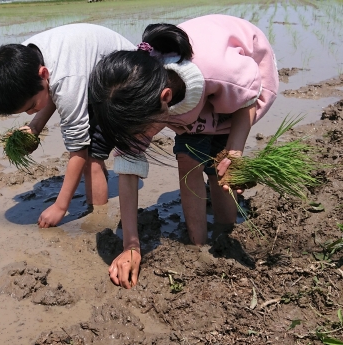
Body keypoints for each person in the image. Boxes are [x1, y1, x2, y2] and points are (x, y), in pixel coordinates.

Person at [88, 14, 279, 288]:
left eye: (140, 130)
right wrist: (131, 245)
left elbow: (246, 102)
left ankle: (225, 231)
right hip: (185, 100)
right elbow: (128, 167)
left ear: (165, 99)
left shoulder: (220, 72)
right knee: (187, 157)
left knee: (220, 166)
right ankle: (198, 242)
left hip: (241, 90)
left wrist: (235, 150)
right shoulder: (137, 90)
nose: (138, 139)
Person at [0, 23, 135, 228]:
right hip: (91, 76)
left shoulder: (66, 80)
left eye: (32, 106)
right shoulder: (23, 59)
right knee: (90, 148)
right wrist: (34, 127)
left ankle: (98, 219)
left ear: (43, 74)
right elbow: (50, 89)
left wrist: (61, 206)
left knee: (91, 157)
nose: (30, 113)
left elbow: (78, 148)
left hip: (127, 81)